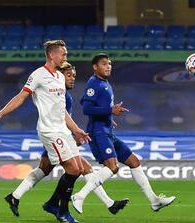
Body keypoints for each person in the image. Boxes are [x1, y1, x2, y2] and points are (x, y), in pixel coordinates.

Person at [0, 40, 116, 223]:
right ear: (52, 55)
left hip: (63, 130)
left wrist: (77, 130)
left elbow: (62, 110)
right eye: (63, 54)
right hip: (49, 131)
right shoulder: (38, 75)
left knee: (78, 169)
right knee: (72, 168)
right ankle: (61, 210)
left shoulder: (59, 76)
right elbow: (21, 97)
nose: (66, 57)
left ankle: (49, 204)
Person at [70, 53, 176, 214]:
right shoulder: (94, 83)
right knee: (112, 168)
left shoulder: (104, 83)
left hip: (107, 131)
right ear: (95, 67)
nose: (108, 66)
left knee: (134, 161)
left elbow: (84, 101)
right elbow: (86, 108)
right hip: (98, 132)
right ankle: (80, 195)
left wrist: (107, 115)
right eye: (104, 64)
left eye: (110, 64)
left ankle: (154, 201)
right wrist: (109, 110)